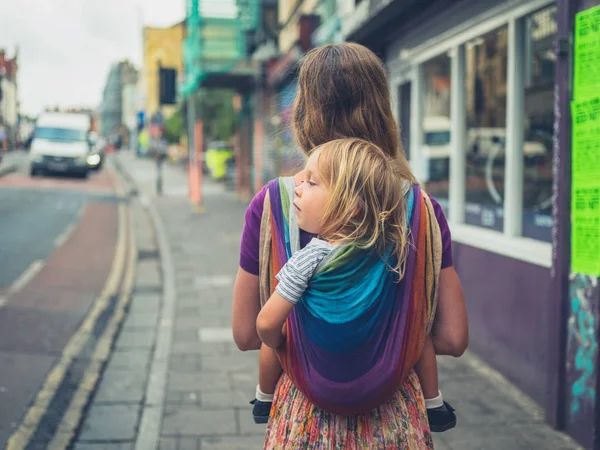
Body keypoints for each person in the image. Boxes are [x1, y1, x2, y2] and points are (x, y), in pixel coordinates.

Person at [233, 43, 468, 448]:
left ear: (304, 114)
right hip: (395, 420)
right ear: (382, 110)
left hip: (302, 418)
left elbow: (246, 333)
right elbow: (452, 338)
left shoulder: (274, 204)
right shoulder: (419, 207)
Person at [252, 138, 457, 431]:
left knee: (279, 333)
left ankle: (264, 398)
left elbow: (264, 323)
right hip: (382, 379)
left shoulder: (307, 259)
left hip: (319, 380)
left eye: (311, 183)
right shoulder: (389, 250)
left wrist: (279, 342)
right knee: (417, 328)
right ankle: (434, 403)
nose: (297, 187)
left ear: (350, 207)